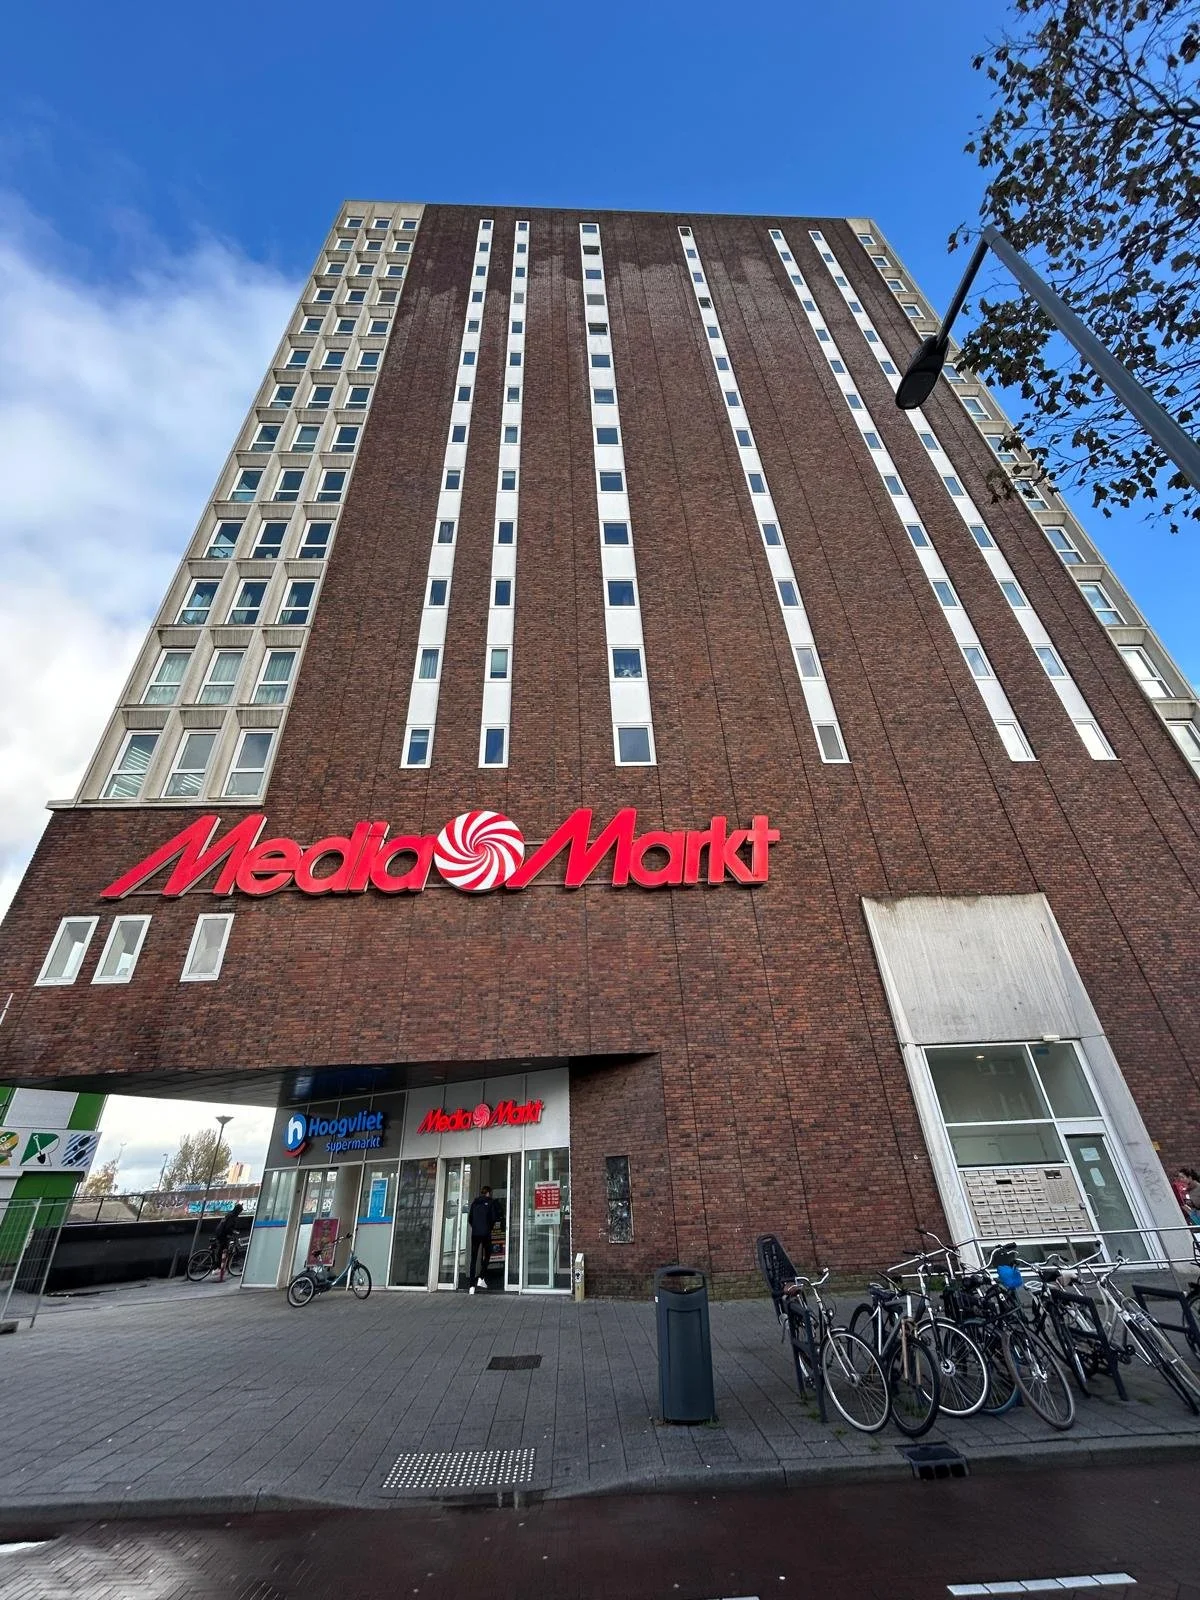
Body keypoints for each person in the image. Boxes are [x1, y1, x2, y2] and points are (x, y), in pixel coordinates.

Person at [467, 1187, 500, 1293]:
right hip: (486, 1233)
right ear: (488, 1193)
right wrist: (488, 1228)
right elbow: (494, 1218)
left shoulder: (474, 1203)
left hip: (475, 1233)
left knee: (473, 1258)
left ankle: (471, 1286)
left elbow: (470, 1219)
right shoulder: (490, 1203)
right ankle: (481, 1277)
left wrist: (476, 1227)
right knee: (488, 1254)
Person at [211, 1203, 245, 1279]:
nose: (240, 1213)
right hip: (222, 1234)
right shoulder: (232, 1217)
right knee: (223, 1249)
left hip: (219, 1232)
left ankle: (220, 1268)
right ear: (238, 1211)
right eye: (240, 1211)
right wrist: (234, 1232)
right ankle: (217, 1268)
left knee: (223, 1249)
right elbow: (228, 1228)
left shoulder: (230, 1214)